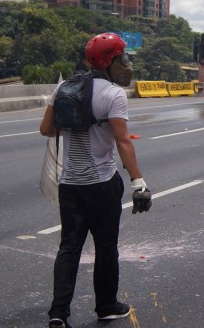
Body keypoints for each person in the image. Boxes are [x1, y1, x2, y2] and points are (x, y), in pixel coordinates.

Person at [40, 33, 151, 328]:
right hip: (101, 184)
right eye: (122, 57)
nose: (125, 63)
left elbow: (46, 129)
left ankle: (58, 313)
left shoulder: (63, 88)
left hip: (70, 185)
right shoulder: (113, 94)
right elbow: (123, 141)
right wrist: (138, 182)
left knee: (69, 247)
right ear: (110, 61)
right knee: (105, 247)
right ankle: (106, 306)